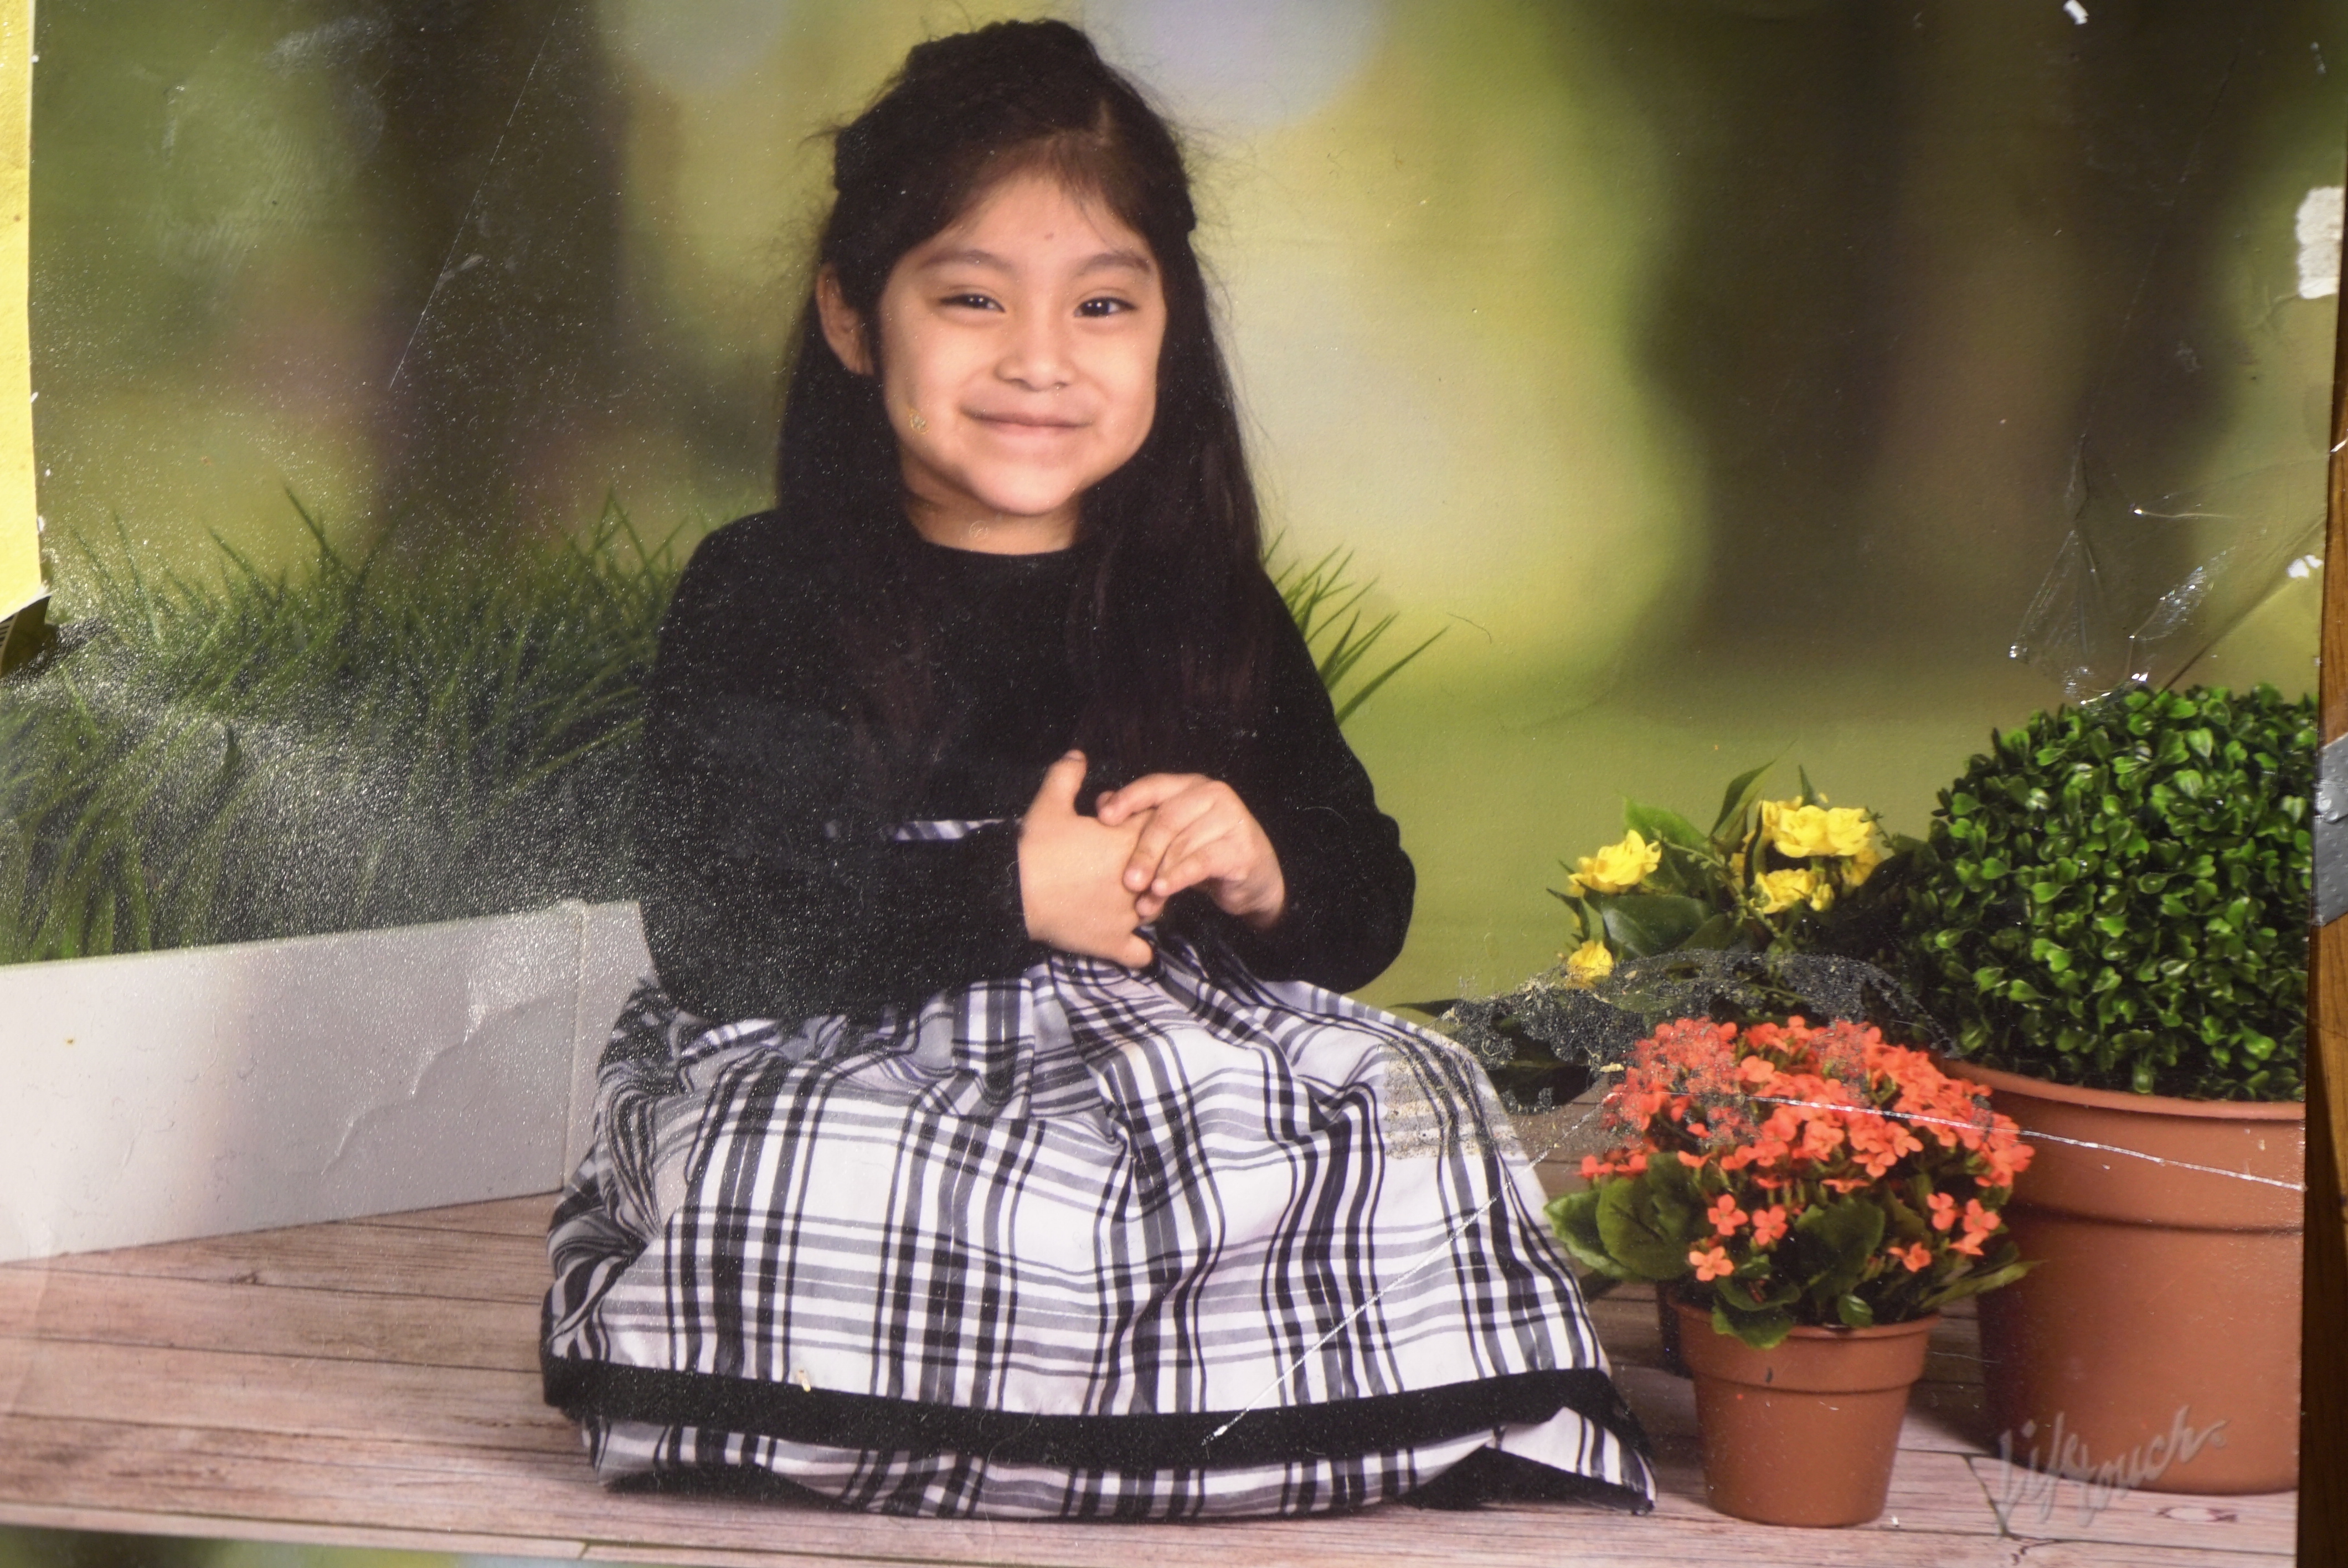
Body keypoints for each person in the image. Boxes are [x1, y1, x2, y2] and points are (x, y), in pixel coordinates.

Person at [541, 18, 1654, 1520]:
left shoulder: (1205, 601)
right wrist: (1013, 886)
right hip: (855, 1047)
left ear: (1169, 328)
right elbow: (723, 930)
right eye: (971, 298)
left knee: (1419, 1102)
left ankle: (1199, 1417)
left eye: (1104, 304)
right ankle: (933, 1414)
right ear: (856, 317)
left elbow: (1362, 896)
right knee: (787, 1165)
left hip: (1170, 1059)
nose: (1039, 361)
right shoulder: (767, 586)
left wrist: (1263, 859)